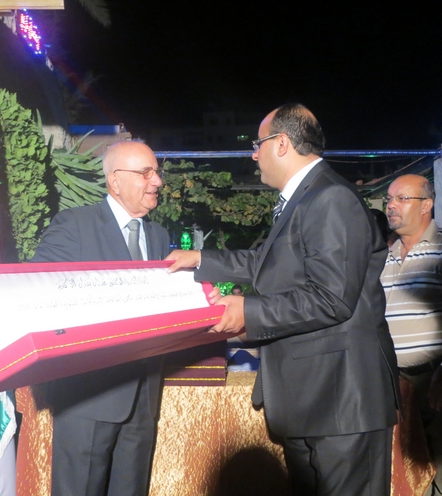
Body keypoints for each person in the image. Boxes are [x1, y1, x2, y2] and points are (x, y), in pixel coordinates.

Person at [166, 103, 400, 495]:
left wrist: (247, 311)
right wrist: (201, 259)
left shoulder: (331, 198)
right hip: (313, 399)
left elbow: (331, 298)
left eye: (257, 145)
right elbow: (267, 262)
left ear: (281, 144)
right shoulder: (306, 197)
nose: (253, 155)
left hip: (342, 402)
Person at [31, 141, 170, 496]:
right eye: (145, 173)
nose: (157, 181)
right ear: (115, 180)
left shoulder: (159, 236)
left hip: (143, 400)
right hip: (88, 398)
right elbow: (39, 292)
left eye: (156, 172)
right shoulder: (75, 225)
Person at [381, 174, 442, 496]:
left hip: (432, 384)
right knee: (404, 479)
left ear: (426, 205)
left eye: (402, 198)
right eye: (389, 199)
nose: (391, 205)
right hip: (391, 386)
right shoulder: (384, 256)